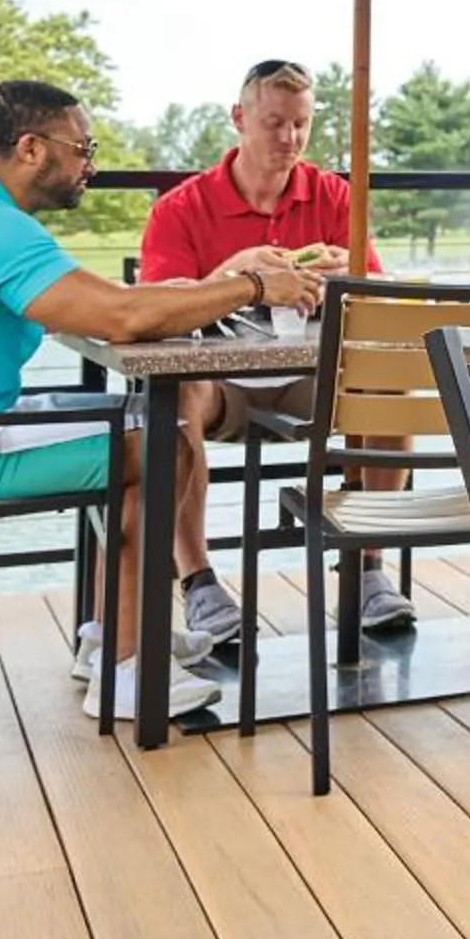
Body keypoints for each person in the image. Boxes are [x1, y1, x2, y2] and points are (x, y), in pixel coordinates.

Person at [0, 79, 321, 719]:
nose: (90, 165)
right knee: (160, 447)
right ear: (31, 149)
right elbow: (119, 317)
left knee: (144, 428)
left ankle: (111, 635)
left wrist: (213, 284)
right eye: (82, 148)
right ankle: (126, 669)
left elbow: (106, 304)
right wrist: (254, 287)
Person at [138, 57, 384, 640]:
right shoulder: (180, 208)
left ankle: (367, 568)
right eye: (274, 123)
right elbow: (155, 310)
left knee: (383, 381)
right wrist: (234, 272)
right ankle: (197, 580)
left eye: (301, 124)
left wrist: (347, 273)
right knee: (174, 398)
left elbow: (378, 290)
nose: (289, 138)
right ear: (238, 118)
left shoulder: (334, 196)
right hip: (219, 390)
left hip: (309, 386)